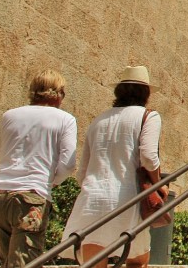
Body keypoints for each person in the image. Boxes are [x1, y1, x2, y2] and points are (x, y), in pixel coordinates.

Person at [63, 66, 164, 268]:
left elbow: (82, 172)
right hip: (127, 199)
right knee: (138, 260)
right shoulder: (148, 116)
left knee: (94, 262)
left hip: (92, 200)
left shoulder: (98, 121)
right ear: (146, 93)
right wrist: (158, 183)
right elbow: (149, 157)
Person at [0, 70, 77, 268]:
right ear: (59, 94)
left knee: (7, 262)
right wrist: (52, 182)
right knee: (24, 263)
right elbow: (68, 164)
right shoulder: (65, 119)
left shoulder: (9, 116)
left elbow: (1, 156)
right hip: (30, 199)